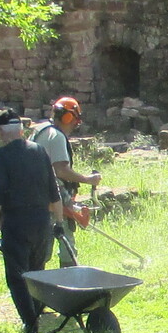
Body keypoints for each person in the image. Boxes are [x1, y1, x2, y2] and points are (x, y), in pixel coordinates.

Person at [0, 110, 89, 333]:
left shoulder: (3, 156)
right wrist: (59, 223)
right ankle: (35, 318)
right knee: (37, 276)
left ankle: (30, 325)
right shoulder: (39, 151)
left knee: (17, 278)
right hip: (42, 223)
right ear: (21, 130)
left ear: (1, 132)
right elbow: (54, 191)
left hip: (16, 224)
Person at [32, 95, 103, 267]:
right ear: (68, 117)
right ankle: (68, 273)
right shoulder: (56, 137)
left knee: (41, 244)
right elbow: (61, 170)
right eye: (74, 121)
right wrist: (88, 179)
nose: (74, 125)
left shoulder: (40, 130)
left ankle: (35, 273)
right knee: (65, 241)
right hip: (53, 195)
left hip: (35, 194)